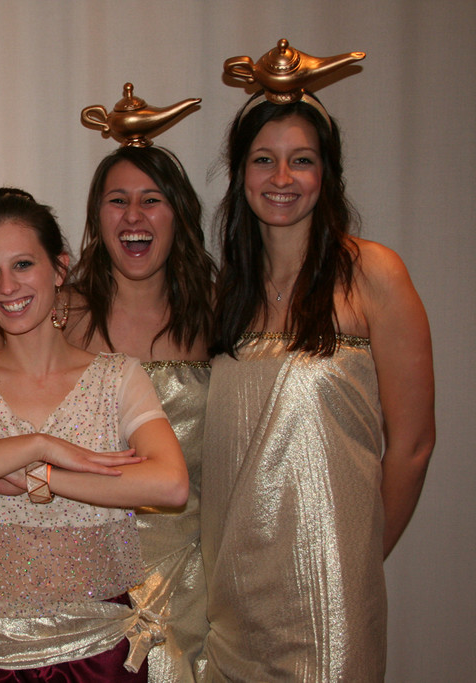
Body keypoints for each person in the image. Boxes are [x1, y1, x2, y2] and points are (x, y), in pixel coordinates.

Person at [0, 188, 188, 681]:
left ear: (59, 269)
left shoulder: (118, 377)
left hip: (97, 653)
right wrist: (39, 445)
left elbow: (170, 484)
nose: (7, 286)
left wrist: (38, 478)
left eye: (23, 265)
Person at [200, 85, 435, 681]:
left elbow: (413, 445)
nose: (282, 177)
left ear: (326, 173)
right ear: (240, 173)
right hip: (229, 600)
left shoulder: (373, 273)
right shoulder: (225, 294)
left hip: (328, 599)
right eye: (264, 159)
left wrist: (355, 558)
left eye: (301, 159)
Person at [68, 144, 214, 682]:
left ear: (179, 214)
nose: (133, 216)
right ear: (96, 217)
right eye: (118, 200)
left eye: (151, 200)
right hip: (83, 574)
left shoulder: (218, 312)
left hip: (196, 575)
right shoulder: (61, 314)